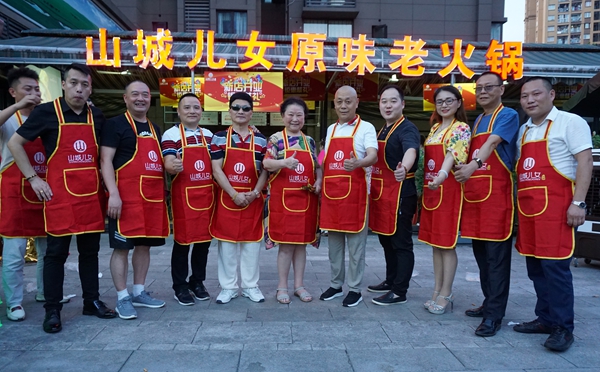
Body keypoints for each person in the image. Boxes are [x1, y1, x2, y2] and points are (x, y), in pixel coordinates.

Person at [8, 63, 116, 333]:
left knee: (90, 253)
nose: (80, 89)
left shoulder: (97, 116)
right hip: (60, 196)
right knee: (55, 254)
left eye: (85, 84)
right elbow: (14, 144)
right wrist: (34, 178)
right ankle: (52, 309)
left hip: (91, 195)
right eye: (74, 83)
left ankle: (91, 301)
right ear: (64, 85)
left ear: (90, 88)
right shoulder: (47, 112)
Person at [512, 77, 592, 352]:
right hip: (530, 210)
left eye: (536, 94)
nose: (530, 100)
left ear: (551, 95)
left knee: (556, 270)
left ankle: (562, 328)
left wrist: (578, 203)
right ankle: (545, 319)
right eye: (524, 96)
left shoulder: (570, 122)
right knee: (536, 269)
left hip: (558, 208)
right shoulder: (524, 130)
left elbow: (585, 161)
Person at [454, 72, 520, 337]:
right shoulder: (478, 119)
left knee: (496, 260)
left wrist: (473, 165)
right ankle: (488, 303)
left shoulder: (507, 116)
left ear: (501, 90)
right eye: (478, 88)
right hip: (476, 197)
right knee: (483, 258)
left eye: (488, 87)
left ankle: (494, 316)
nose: (482, 92)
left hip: (497, 200)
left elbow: (492, 143)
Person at [100, 80, 168, 319]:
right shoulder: (115, 125)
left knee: (144, 245)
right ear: (125, 98)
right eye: (135, 94)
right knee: (121, 248)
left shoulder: (155, 128)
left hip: (150, 199)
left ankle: (139, 292)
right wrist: (113, 194)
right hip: (125, 199)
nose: (141, 98)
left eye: (145, 95)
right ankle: (122, 297)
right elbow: (105, 161)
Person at [319, 85, 378, 307]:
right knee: (334, 248)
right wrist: (315, 170)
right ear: (334, 104)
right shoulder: (331, 129)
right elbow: (324, 156)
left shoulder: (366, 127)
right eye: (339, 101)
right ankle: (336, 285)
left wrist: (358, 163)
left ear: (356, 102)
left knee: (356, 248)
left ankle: (354, 289)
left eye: (348, 101)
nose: (343, 105)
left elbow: (372, 155)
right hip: (333, 196)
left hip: (355, 197)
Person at [209, 92, 269, 304]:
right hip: (228, 198)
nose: (240, 112)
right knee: (227, 246)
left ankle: (251, 286)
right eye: (236, 108)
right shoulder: (218, 138)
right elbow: (216, 170)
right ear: (229, 111)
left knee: (252, 246)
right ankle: (228, 288)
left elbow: (265, 170)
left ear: (252, 112)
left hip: (253, 199)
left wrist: (254, 193)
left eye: (245, 108)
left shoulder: (262, 140)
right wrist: (234, 194)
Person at [263, 97, 322, 304]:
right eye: (291, 114)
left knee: (301, 245)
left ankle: (299, 285)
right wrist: (284, 162)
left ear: (305, 118)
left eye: (299, 115)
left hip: (305, 201)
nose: (295, 119)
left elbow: (317, 166)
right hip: (283, 201)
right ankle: (282, 287)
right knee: (286, 246)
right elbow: (267, 163)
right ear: (283, 116)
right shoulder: (276, 139)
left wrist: (319, 181)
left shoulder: (310, 141)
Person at [418, 85, 471, 315]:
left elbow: (452, 154)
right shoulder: (435, 129)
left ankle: (446, 292)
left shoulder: (461, 128)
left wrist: (441, 175)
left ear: (459, 103)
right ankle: (436, 289)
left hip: (447, 190)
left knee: (447, 244)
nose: (444, 105)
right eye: (440, 101)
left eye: (449, 100)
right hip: (431, 191)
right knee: (435, 244)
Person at [367, 85, 420, 306]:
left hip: (400, 193)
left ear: (402, 104)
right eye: (383, 101)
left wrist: (404, 168)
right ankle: (390, 280)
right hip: (383, 194)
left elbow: (411, 150)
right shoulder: (383, 129)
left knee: (401, 243)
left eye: (393, 101)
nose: (388, 105)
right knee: (386, 240)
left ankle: (400, 291)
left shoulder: (407, 128)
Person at [0, 67, 45, 321]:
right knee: (14, 252)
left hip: (43, 189)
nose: (33, 94)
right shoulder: (8, 119)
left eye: (36, 89)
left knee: (48, 249)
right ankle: (14, 302)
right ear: (13, 91)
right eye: (27, 89)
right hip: (14, 191)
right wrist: (17, 107)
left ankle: (45, 292)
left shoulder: (45, 117)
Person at [162, 93, 213, 306]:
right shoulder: (171, 134)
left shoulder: (209, 135)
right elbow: (169, 160)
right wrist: (172, 165)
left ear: (201, 111)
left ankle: (197, 282)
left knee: (203, 243)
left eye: (196, 107)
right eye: (187, 107)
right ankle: (180, 286)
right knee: (182, 243)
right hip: (184, 198)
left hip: (207, 197)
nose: (192, 111)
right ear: (179, 111)